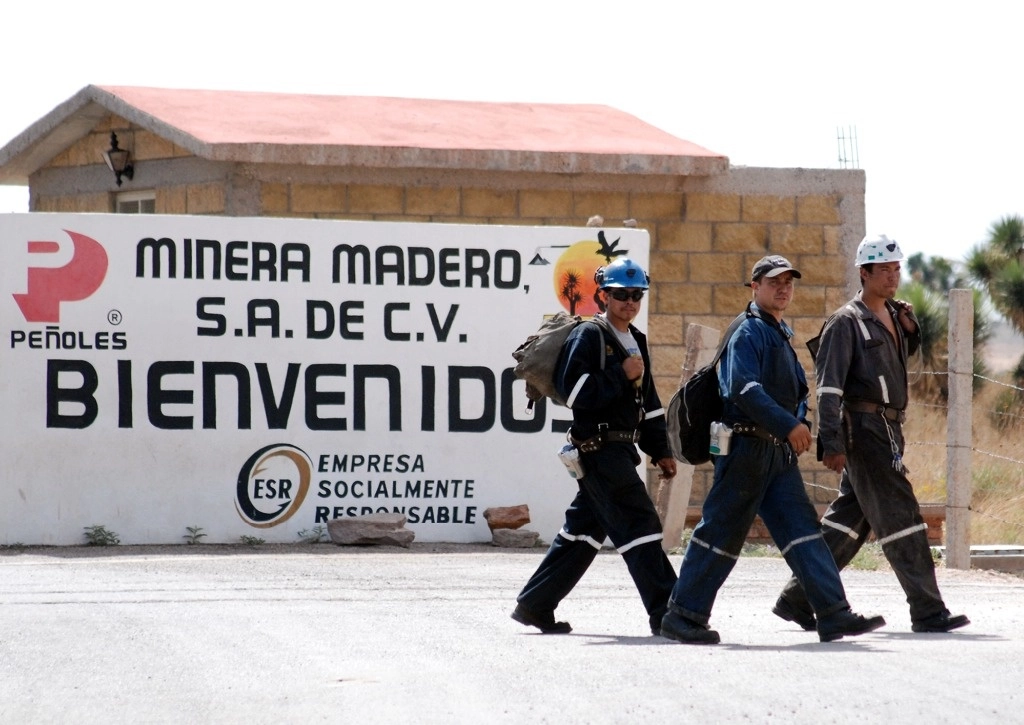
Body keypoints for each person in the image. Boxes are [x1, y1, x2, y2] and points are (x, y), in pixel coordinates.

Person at [660, 255, 886, 644]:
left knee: (804, 534)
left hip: (775, 455)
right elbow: (742, 389)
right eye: (774, 281)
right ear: (755, 287)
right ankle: (682, 616)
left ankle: (833, 613)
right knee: (720, 534)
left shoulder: (778, 331)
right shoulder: (749, 332)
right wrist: (789, 425)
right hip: (746, 449)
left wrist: (800, 425)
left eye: (788, 282)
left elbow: (787, 391)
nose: (783, 288)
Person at [772, 235, 970, 634]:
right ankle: (928, 610)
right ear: (864, 273)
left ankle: (796, 598)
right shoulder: (845, 321)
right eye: (884, 270)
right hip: (864, 431)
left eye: (897, 269)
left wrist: (911, 329)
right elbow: (828, 388)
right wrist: (832, 441)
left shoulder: (895, 316)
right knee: (903, 517)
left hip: (889, 428)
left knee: (849, 523)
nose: (893, 277)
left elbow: (892, 363)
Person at [512, 258, 679, 636]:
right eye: (621, 294)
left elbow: (648, 401)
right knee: (641, 526)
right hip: (598, 449)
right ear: (603, 295)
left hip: (620, 450)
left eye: (636, 295)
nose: (630, 302)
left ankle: (535, 604)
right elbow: (575, 393)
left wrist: (661, 449)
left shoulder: (636, 340)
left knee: (582, 533)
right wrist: (620, 373)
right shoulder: (589, 335)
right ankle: (669, 613)